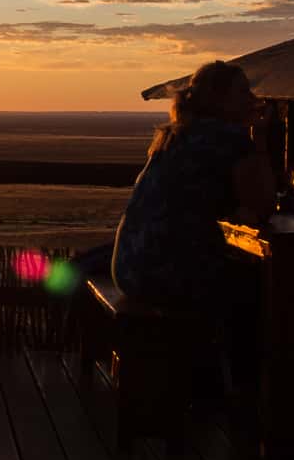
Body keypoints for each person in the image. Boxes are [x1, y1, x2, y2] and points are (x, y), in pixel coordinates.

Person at [112, 61, 276, 307]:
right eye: (243, 92)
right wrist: (260, 137)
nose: (252, 98)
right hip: (166, 275)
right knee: (264, 286)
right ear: (220, 100)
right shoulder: (230, 139)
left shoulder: (173, 136)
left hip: (128, 268)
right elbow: (262, 205)